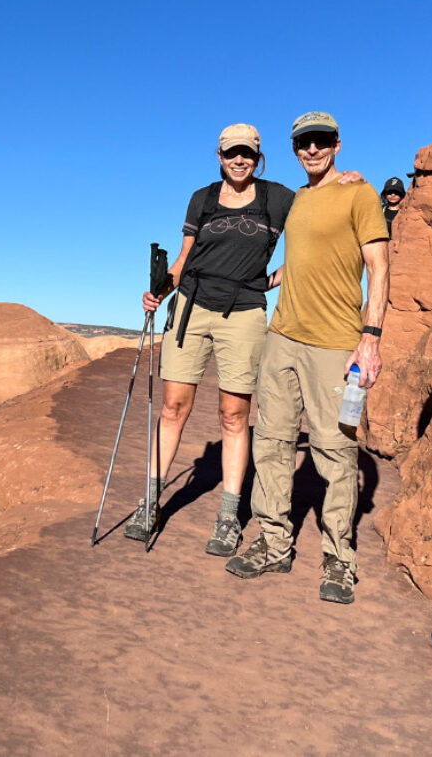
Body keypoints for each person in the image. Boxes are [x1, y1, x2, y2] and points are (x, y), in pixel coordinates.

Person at [126, 123, 360, 558]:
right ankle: (151, 502)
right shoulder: (203, 198)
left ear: (258, 156)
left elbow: (317, 220)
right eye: (232, 152)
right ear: (219, 156)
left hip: (245, 314)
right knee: (174, 407)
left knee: (234, 415)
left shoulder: (278, 198)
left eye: (247, 153)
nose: (239, 160)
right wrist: (160, 290)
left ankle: (229, 516)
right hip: (191, 308)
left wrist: (347, 178)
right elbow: (184, 258)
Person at [226, 111, 389, 605]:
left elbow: (379, 268)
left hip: (336, 344)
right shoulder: (296, 202)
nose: (311, 150)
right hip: (283, 338)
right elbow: (301, 259)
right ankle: (275, 543)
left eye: (320, 141)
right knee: (272, 441)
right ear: (295, 148)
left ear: (337, 144)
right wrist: (266, 279)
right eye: (303, 142)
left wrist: (371, 338)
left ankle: (340, 559)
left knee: (335, 449)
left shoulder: (359, 194)